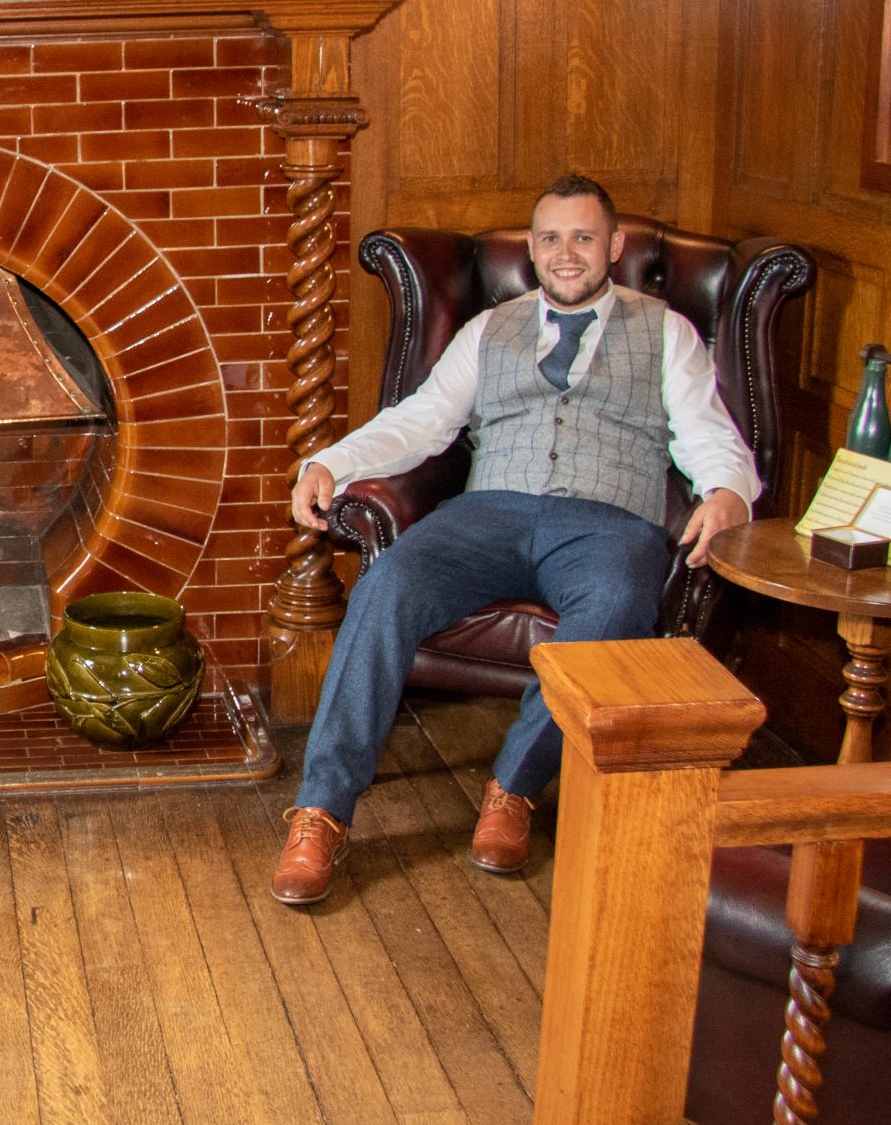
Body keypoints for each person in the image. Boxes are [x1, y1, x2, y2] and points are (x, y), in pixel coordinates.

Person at [270, 174, 758, 904]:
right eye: (552, 238)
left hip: (606, 522)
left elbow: (709, 437)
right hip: (488, 513)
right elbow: (423, 419)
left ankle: (514, 788)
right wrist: (331, 463)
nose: (568, 253)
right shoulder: (487, 331)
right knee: (386, 584)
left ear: (614, 247)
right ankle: (322, 809)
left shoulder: (665, 332)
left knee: (622, 600)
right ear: (532, 251)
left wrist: (725, 492)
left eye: (584, 237)